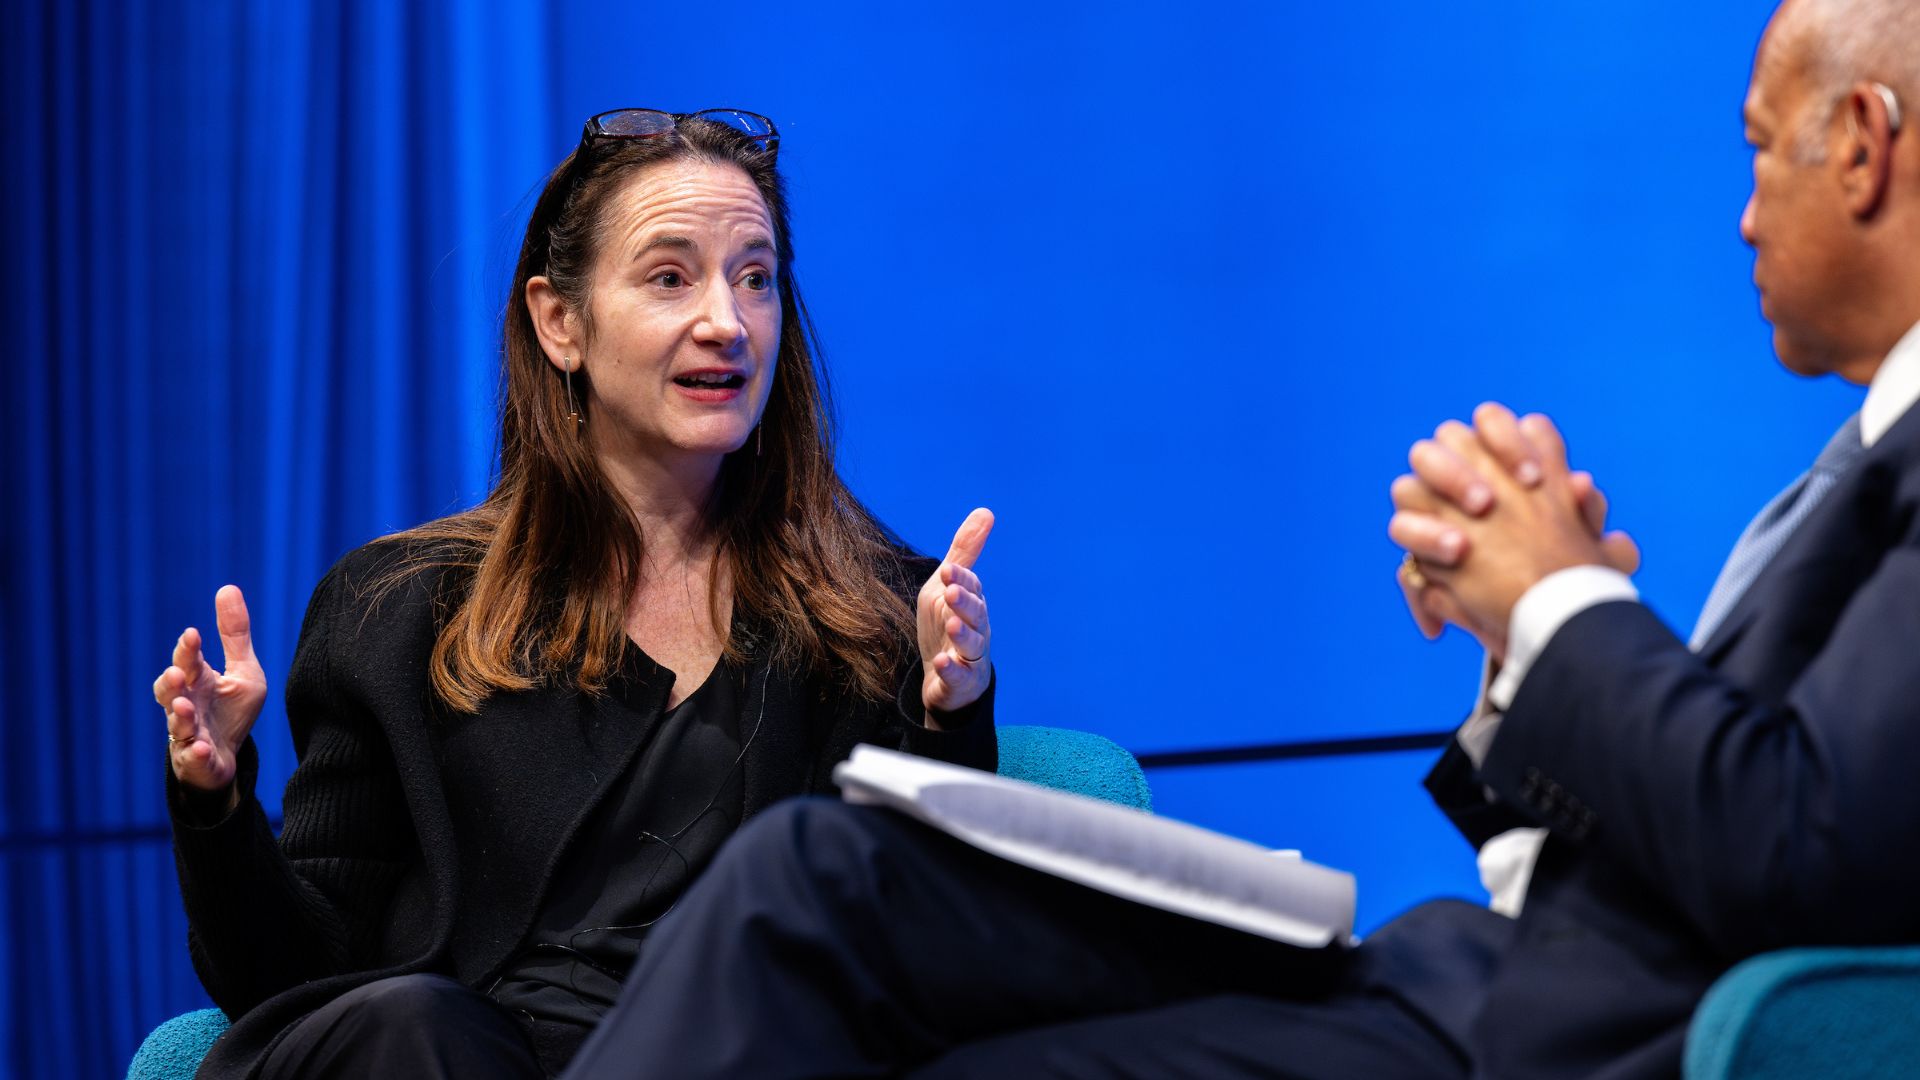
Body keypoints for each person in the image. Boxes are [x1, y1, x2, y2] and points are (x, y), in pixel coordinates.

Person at [555, 1, 1920, 1076]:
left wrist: (1566, 606)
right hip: (1462, 975)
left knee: (823, 895)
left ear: (1863, 142)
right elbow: (1737, 825)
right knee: (845, 925)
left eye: (1758, 143)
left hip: (1535, 1029)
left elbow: (1797, 849)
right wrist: (1523, 659)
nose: (1744, 210)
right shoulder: (1859, 464)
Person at [152, 109, 998, 1080]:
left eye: (755, 277)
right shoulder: (397, 611)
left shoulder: (868, 607)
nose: (725, 320)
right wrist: (214, 801)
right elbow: (293, 975)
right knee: (418, 1026)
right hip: (462, 1060)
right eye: (670, 276)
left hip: (737, 1056)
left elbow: (918, 954)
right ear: (560, 322)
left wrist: (952, 716)